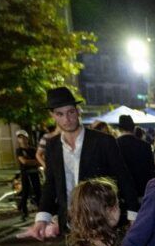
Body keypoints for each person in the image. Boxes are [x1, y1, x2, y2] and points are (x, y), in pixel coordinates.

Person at [30, 87, 139, 237]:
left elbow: (124, 178)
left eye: (70, 112)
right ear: (52, 115)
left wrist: (133, 216)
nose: (66, 119)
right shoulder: (52, 145)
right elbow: (50, 184)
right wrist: (42, 218)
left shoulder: (103, 141)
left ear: (78, 111)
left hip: (102, 221)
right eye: (60, 114)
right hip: (70, 224)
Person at [116, 114, 155, 200]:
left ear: (119, 129)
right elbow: (151, 168)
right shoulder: (145, 146)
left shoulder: (114, 145)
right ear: (133, 128)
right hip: (144, 191)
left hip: (123, 194)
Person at [14, 130, 42, 221]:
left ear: (27, 138)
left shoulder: (33, 149)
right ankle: (24, 211)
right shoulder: (19, 150)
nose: (22, 139)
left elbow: (40, 160)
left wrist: (34, 162)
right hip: (25, 173)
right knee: (25, 192)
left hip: (34, 173)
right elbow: (24, 161)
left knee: (38, 191)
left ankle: (41, 211)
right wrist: (35, 162)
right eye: (20, 138)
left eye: (24, 137)